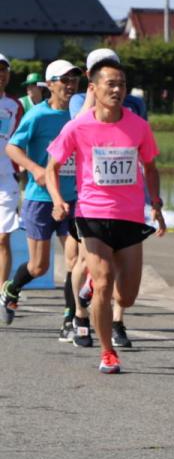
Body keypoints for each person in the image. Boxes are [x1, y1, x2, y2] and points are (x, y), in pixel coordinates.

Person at [44, 56, 166, 374]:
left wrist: (156, 203)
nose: (117, 89)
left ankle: (92, 291)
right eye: (110, 84)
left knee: (127, 295)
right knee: (103, 281)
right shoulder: (78, 126)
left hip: (130, 216)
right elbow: (52, 166)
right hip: (92, 214)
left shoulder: (138, 126)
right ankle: (107, 350)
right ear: (94, 88)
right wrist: (57, 199)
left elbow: (151, 168)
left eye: (122, 84)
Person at [4, 59, 84, 341]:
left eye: (75, 79)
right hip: (40, 198)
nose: (71, 85)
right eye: (65, 80)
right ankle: (12, 289)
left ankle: (70, 319)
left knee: (74, 260)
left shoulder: (82, 115)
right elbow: (12, 148)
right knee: (39, 267)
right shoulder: (37, 115)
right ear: (49, 85)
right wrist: (37, 169)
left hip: (73, 197)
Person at [0, 54, 23, 313]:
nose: (1, 75)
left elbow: (21, 140)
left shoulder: (14, 106)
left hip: (6, 177)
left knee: (3, 237)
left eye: (4, 70)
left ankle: (3, 292)